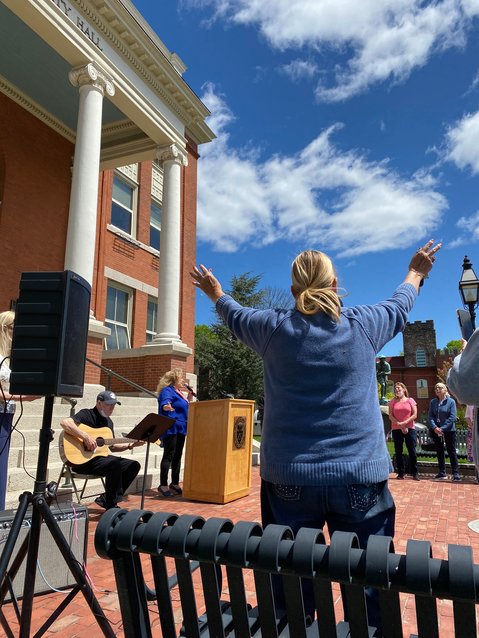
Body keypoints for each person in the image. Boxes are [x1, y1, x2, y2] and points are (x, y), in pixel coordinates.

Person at [191, 239, 441, 632]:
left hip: (290, 479)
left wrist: (215, 292)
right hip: (359, 477)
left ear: (294, 290)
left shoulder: (271, 329)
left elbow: (234, 314)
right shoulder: (363, 324)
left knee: (290, 585)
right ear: (336, 282)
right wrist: (417, 270)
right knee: (369, 583)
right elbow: (400, 303)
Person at [59, 390, 143, 509]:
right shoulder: (86, 414)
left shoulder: (109, 422)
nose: (112, 408)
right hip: (82, 461)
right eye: (109, 404)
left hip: (100, 459)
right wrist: (85, 436)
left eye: (114, 405)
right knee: (114, 465)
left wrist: (131, 445)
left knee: (133, 465)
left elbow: (112, 447)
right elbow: (65, 423)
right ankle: (111, 503)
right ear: (99, 403)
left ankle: (106, 498)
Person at [0, 311, 39, 510]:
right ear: (5, 328)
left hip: (6, 416)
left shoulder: (6, 358)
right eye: (16, 329)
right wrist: (24, 397)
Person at [156, 368, 193, 497]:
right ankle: (163, 484)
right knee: (169, 455)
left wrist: (189, 397)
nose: (183, 380)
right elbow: (165, 401)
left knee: (177, 455)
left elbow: (184, 407)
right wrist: (166, 406)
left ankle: (175, 483)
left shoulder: (180, 393)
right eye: (181, 378)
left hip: (182, 427)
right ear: (174, 379)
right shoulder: (168, 391)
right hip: (171, 427)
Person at [428, 382, 459, 481]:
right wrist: (435, 428)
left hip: (449, 430)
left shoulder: (451, 402)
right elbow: (430, 416)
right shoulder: (433, 402)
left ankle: (455, 473)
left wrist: (442, 428)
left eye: (440, 388)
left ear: (445, 390)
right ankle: (442, 472)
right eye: (436, 388)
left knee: (451, 451)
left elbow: (452, 417)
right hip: (436, 431)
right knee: (439, 451)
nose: (437, 389)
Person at [388, 382, 419, 480]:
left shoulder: (410, 400)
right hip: (396, 428)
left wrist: (404, 423)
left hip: (409, 428)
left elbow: (414, 415)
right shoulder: (392, 401)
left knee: (412, 450)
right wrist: (399, 424)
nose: (397, 390)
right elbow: (390, 415)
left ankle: (415, 473)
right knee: (398, 451)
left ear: (404, 390)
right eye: (395, 389)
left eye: (399, 388)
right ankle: (401, 473)